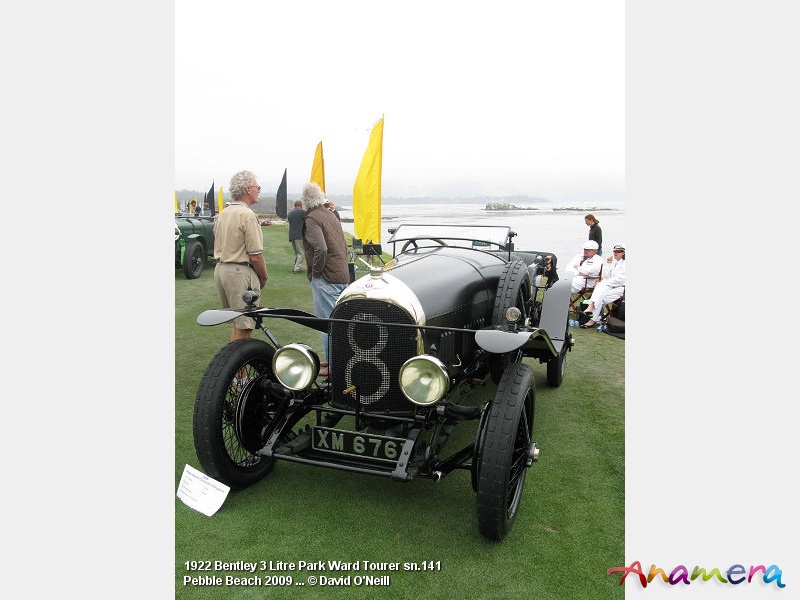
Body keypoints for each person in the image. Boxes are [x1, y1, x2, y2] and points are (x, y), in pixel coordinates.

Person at [213, 170, 269, 343]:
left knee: (238, 325)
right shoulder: (247, 215)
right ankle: (237, 370)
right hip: (239, 272)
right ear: (247, 189)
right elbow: (255, 256)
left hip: (222, 270)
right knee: (245, 327)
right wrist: (264, 276)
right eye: (257, 186)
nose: (259, 189)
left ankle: (232, 369)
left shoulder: (224, 213)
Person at [301, 182, 350, 376]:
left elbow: (321, 248)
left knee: (327, 324)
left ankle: (334, 365)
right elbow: (343, 246)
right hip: (341, 274)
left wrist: (316, 272)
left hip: (327, 276)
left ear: (305, 201)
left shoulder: (312, 218)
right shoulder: (330, 215)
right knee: (337, 321)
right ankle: (334, 361)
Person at [582, 242, 625, 328]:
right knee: (600, 291)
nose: (615, 253)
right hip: (610, 286)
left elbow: (620, 280)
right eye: (614, 251)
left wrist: (603, 283)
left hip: (622, 288)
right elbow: (606, 276)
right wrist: (608, 264)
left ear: (624, 253)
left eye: (618, 251)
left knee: (600, 294)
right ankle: (594, 318)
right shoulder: (614, 262)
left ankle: (592, 317)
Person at [287, 199, 306, 273]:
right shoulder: (302, 212)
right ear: (301, 205)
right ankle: (296, 268)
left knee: (297, 253)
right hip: (299, 235)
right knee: (301, 253)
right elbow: (306, 221)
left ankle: (296, 266)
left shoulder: (290, 213)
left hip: (292, 235)